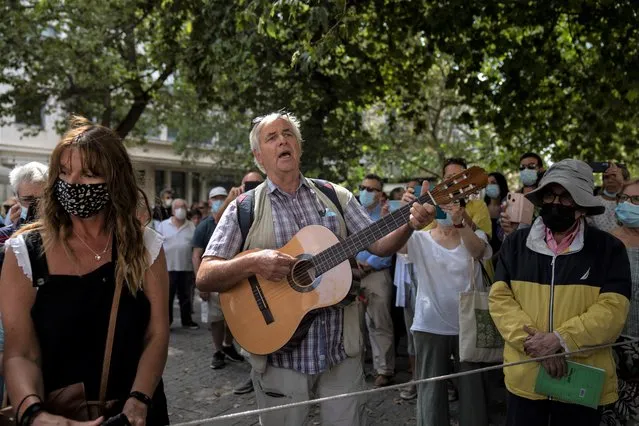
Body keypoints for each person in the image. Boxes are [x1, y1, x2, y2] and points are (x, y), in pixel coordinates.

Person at [196, 111, 435, 426]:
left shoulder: (336, 196)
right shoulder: (244, 208)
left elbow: (379, 245)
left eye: (288, 134)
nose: (283, 139)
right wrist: (254, 261)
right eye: (272, 137)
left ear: (298, 146)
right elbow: (205, 275)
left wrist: (409, 223)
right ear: (258, 156)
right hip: (279, 358)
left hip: (341, 352)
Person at [0, 116, 170, 425]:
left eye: (89, 174)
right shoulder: (23, 252)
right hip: (57, 415)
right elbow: (19, 353)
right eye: (64, 172)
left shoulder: (146, 246)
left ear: (115, 180)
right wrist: (34, 414)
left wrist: (139, 400)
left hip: (136, 416)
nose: (73, 183)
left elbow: (157, 334)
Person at [489, 159, 631, 426]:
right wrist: (536, 346)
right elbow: (500, 300)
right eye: (550, 195)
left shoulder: (608, 249)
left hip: (580, 381)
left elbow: (612, 311)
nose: (556, 202)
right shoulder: (516, 245)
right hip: (526, 376)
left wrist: (561, 340)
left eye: (566, 198)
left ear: (581, 208)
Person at [404, 183, 492, 426]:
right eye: (439, 206)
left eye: (452, 205)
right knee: (430, 391)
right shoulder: (419, 239)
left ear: (462, 209)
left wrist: (460, 224)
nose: (445, 210)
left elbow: (478, 252)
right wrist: (405, 215)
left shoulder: (476, 235)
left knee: (472, 389)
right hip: (429, 325)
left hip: (468, 325)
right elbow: (392, 245)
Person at [604, 178, 639, 425]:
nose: (628, 204)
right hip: (612, 343)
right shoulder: (605, 243)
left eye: (636, 200)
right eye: (624, 199)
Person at [356, 174, 395, 387]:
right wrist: (355, 265)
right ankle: (356, 370)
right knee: (355, 324)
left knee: (380, 323)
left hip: (377, 274)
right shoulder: (352, 212)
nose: (365, 192)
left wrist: (369, 264)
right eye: (363, 187)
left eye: (371, 189)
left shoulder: (385, 214)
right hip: (353, 274)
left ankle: (384, 370)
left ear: (380, 193)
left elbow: (389, 246)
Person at [156, 198, 199, 330]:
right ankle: (167, 323)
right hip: (168, 268)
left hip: (186, 267)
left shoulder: (191, 226)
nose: (181, 210)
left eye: (183, 207)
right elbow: (156, 246)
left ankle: (187, 320)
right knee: (167, 297)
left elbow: (195, 247)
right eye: (178, 207)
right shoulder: (162, 225)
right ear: (173, 210)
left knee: (186, 296)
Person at [588, 162, 630, 233]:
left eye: (614, 176)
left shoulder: (631, 203)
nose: (610, 180)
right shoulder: (593, 202)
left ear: (625, 180)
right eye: (606, 177)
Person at [484, 172, 509, 255]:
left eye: (493, 183)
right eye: (487, 183)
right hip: (484, 255)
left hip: (504, 254)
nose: (489, 186)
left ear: (501, 185)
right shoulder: (481, 208)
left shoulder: (508, 208)